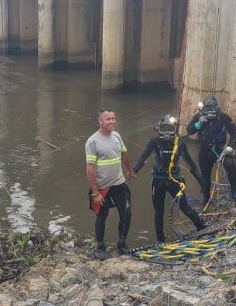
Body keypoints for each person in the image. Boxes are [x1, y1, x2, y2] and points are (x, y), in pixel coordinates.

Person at [133, 114, 206, 243]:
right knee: (159, 211)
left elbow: (190, 164)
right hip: (158, 180)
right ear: (158, 129)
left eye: (170, 128)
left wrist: (202, 182)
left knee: (185, 207)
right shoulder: (154, 142)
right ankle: (160, 240)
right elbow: (143, 157)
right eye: (164, 128)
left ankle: (202, 229)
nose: (167, 132)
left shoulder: (180, 143)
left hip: (175, 180)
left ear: (175, 130)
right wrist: (134, 170)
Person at [85, 108, 135, 259]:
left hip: (119, 183)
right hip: (102, 186)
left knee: (127, 213)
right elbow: (90, 168)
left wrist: (130, 170)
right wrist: (95, 192)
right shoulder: (92, 141)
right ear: (100, 121)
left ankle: (122, 243)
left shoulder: (117, 136)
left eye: (113, 118)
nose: (112, 121)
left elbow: (124, 154)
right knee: (102, 215)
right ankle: (100, 246)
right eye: (108, 119)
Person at [186, 96, 236, 203]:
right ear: (203, 110)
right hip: (204, 151)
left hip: (220, 150)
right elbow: (189, 131)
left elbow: (233, 133)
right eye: (207, 109)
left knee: (230, 165)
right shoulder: (199, 117)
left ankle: (235, 191)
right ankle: (206, 198)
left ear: (217, 108)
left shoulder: (223, 117)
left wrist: (230, 147)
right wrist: (199, 124)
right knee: (205, 175)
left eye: (212, 108)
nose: (210, 112)